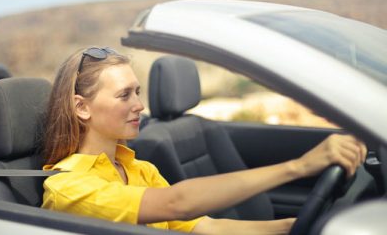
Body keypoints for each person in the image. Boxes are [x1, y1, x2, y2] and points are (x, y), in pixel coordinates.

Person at [41, 47, 367, 234]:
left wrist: (293, 227)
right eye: (124, 95)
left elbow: (206, 228)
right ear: (81, 107)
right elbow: (177, 203)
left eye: (137, 92)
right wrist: (299, 166)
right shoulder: (68, 187)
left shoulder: (139, 169)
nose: (139, 105)